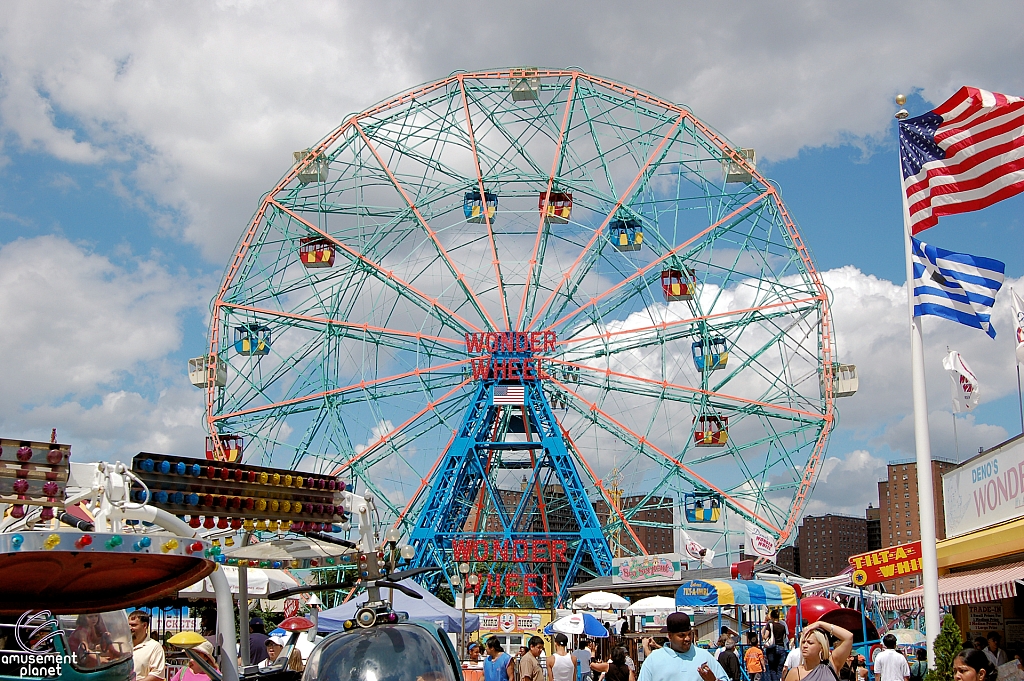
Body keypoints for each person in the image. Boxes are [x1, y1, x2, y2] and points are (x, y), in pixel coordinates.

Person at [637, 612, 729, 681]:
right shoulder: (653, 660)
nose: (687, 638)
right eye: (682, 635)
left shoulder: (705, 657)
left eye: (689, 634)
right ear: (670, 636)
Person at [783, 620, 854, 681]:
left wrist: (820, 624)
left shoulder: (831, 664)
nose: (804, 646)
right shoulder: (795, 673)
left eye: (810, 643)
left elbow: (848, 637)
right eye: (803, 642)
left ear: (821, 647)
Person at [129, 611, 166, 681]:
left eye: (133, 625)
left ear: (144, 625)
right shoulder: (123, 645)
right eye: (128, 625)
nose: (130, 628)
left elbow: (157, 675)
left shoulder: (155, 647)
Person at [764, 610, 789, 681]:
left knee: (772, 669)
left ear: (771, 617)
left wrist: (763, 634)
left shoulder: (770, 625)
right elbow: (784, 638)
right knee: (779, 668)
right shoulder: (782, 626)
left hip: (772, 648)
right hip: (781, 648)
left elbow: (766, 636)